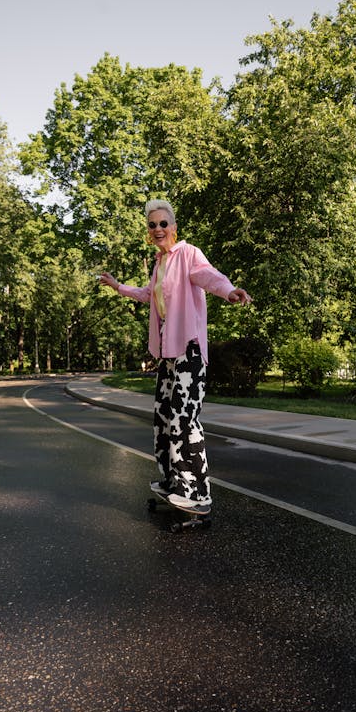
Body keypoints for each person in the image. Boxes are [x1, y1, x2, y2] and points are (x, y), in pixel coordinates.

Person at [100, 199, 252, 512]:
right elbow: (147, 295)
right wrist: (118, 287)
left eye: (162, 224)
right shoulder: (160, 263)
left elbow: (209, 275)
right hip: (168, 354)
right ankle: (174, 481)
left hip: (189, 349)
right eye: (152, 225)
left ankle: (197, 492)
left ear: (174, 228)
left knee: (185, 420)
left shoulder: (188, 254)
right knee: (164, 418)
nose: (157, 229)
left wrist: (230, 290)